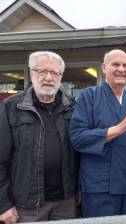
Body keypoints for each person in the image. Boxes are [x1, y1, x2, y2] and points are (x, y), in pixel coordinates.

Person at [0, 51, 78, 223]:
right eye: (42, 71)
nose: (48, 78)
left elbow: (79, 153)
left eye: (54, 73)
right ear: (31, 73)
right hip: (27, 205)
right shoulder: (11, 108)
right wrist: (3, 205)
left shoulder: (72, 108)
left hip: (65, 202)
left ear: (61, 76)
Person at [70, 49, 126, 217]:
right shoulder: (89, 96)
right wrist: (119, 128)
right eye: (115, 64)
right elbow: (77, 138)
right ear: (104, 68)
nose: (121, 69)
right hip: (99, 188)